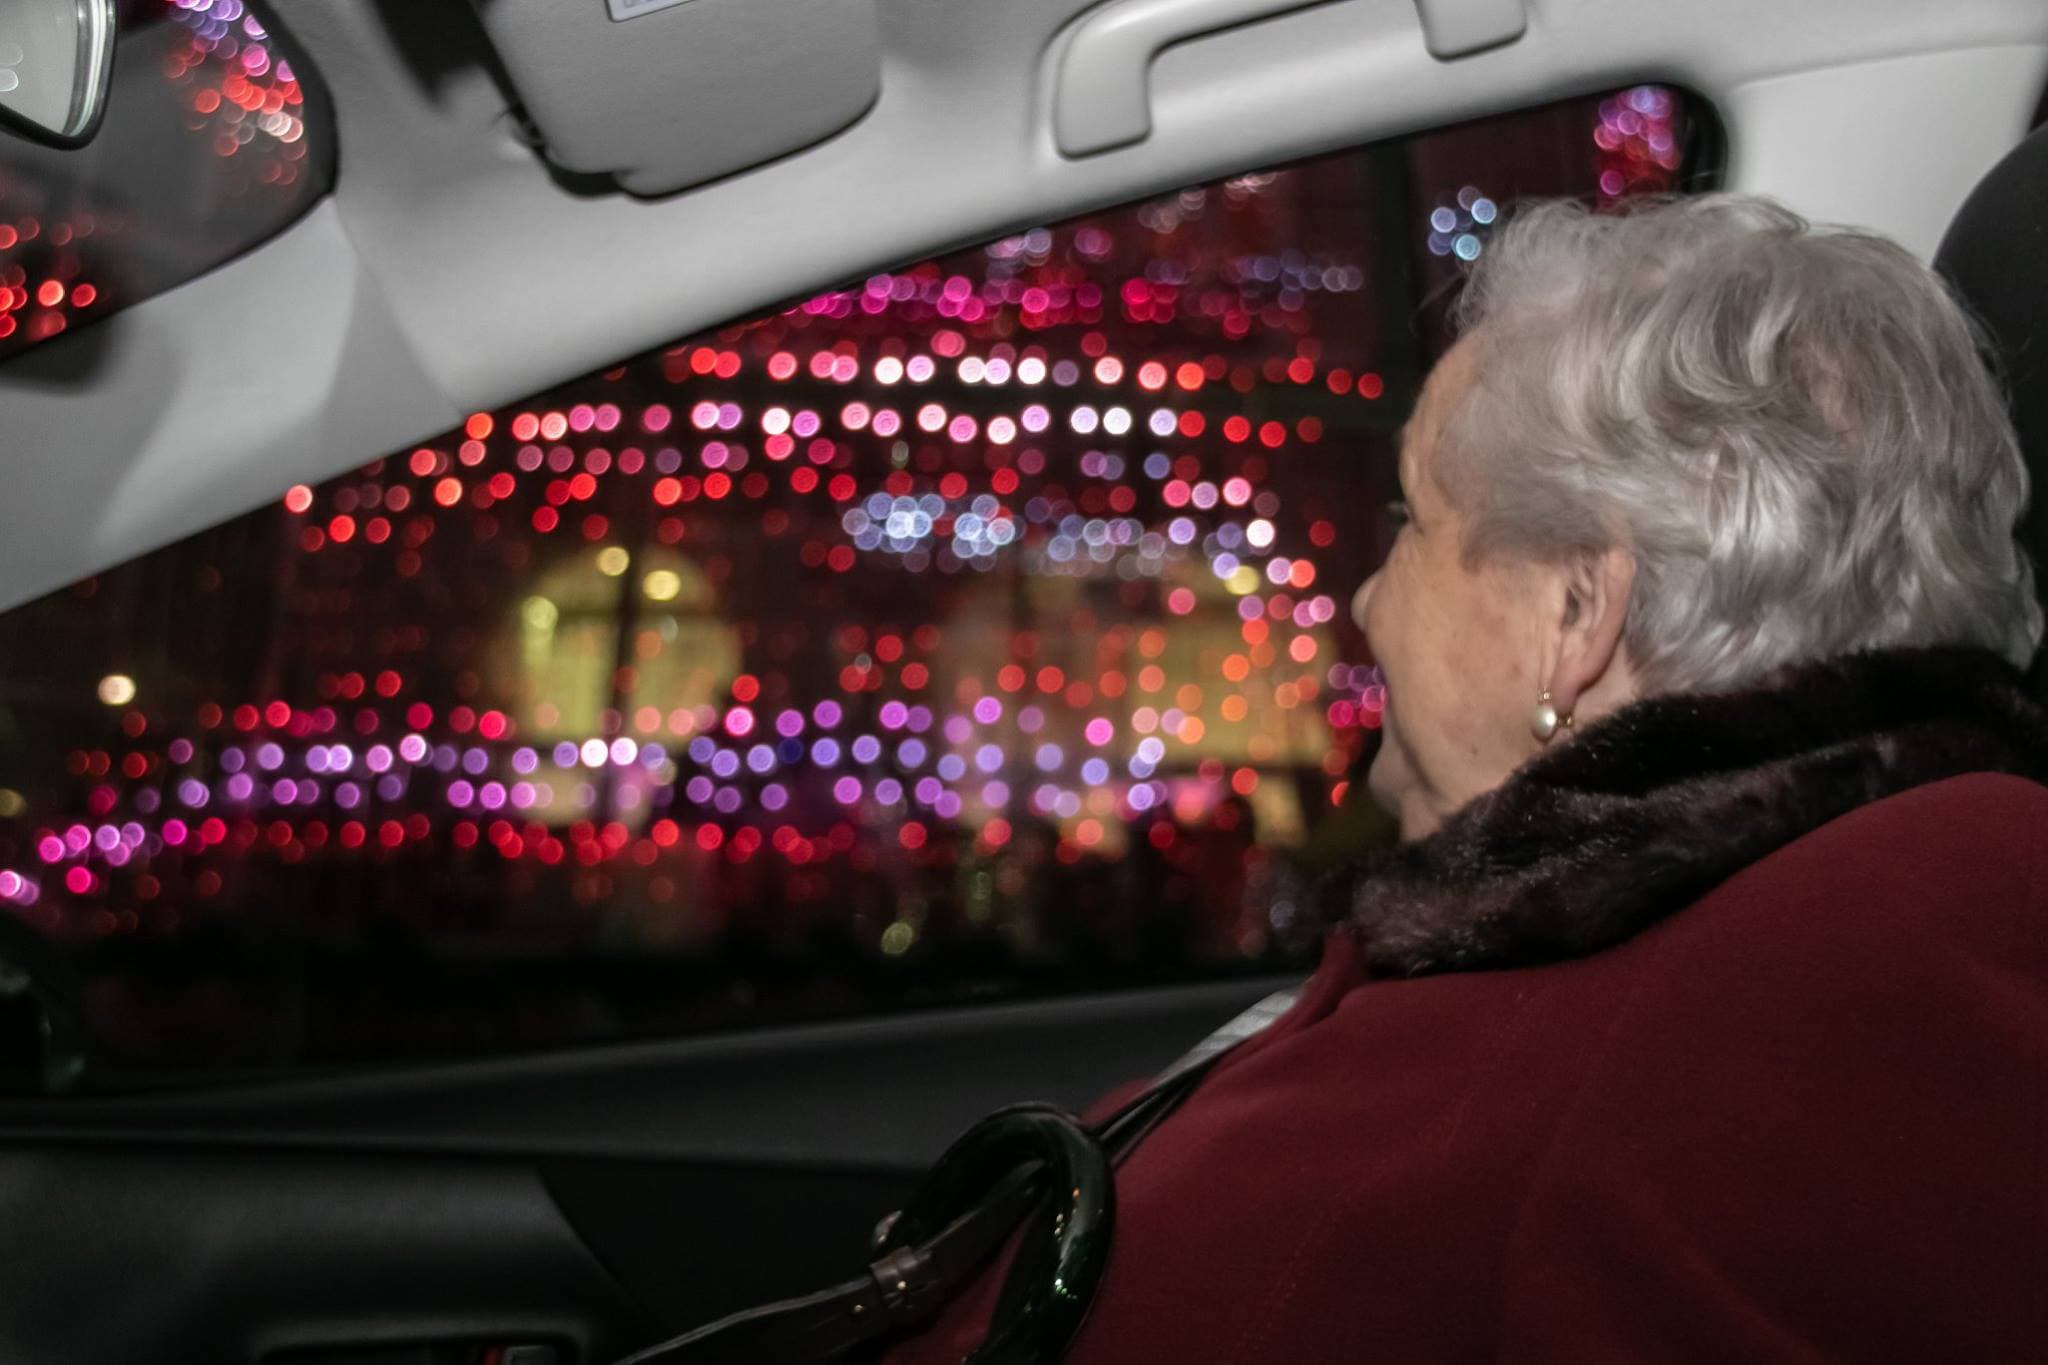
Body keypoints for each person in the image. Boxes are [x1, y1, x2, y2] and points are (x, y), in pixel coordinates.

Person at [881, 194, 2048, 1361]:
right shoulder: (1592, 922)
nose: (1362, 600)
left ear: (1575, 610)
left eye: (1410, 520)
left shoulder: (1875, 952)